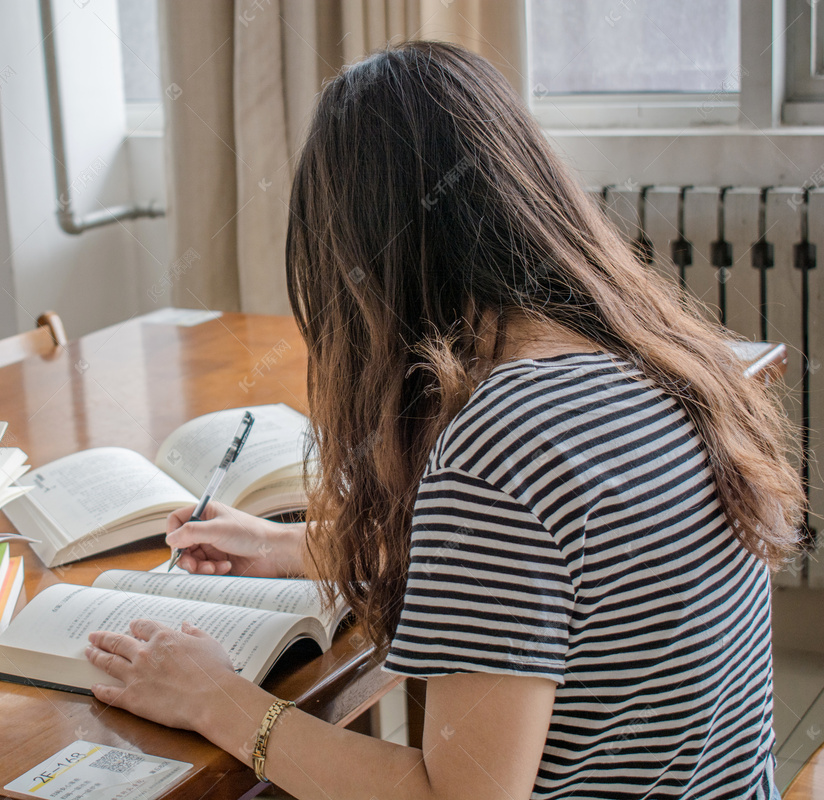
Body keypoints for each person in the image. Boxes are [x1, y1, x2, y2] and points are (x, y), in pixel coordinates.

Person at [84, 41, 802, 799]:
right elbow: (559, 585)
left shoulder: (501, 442)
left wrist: (218, 701)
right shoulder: (654, 350)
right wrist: (293, 546)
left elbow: (458, 798)